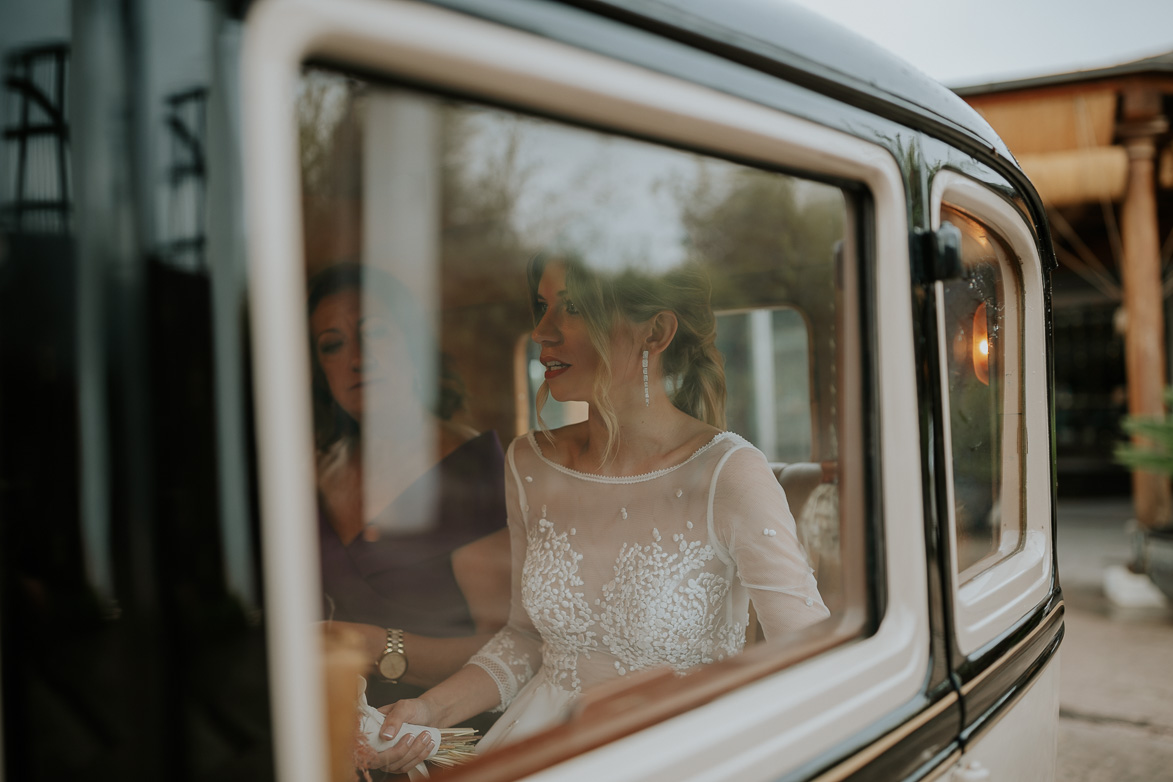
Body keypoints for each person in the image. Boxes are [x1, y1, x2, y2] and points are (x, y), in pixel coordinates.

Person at [375, 255, 829, 765]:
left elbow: (813, 661)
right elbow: (527, 640)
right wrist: (428, 711)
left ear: (655, 332)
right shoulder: (530, 462)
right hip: (539, 745)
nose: (543, 331)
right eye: (543, 306)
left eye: (572, 308)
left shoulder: (731, 473)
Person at [308, 263, 511, 764]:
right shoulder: (313, 470)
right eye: (331, 345)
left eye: (374, 333)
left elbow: (514, 647)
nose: (357, 359)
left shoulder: (475, 471)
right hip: (325, 735)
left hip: (438, 742)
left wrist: (376, 646)